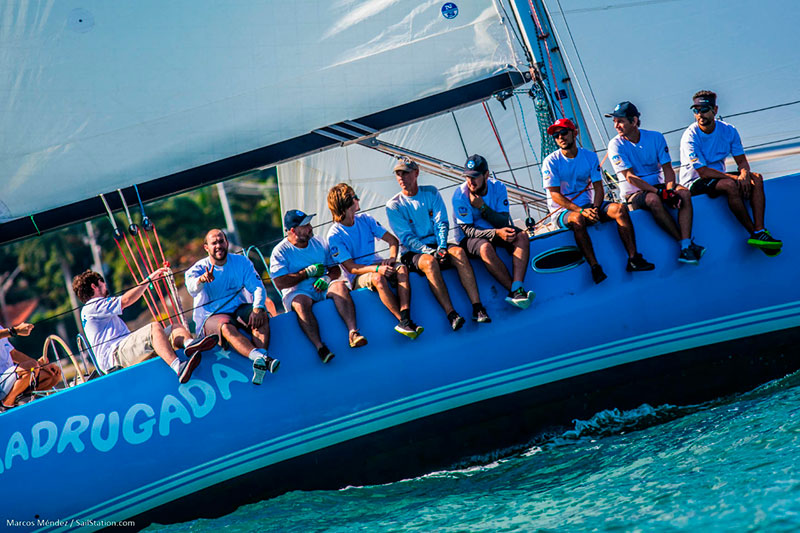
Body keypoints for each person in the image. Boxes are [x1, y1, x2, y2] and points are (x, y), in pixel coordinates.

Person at [542, 118, 655, 284]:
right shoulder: (551, 161)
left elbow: (599, 187)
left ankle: (634, 258)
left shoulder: (589, 156)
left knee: (619, 209)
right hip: (563, 211)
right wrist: (581, 211)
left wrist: (594, 208)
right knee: (578, 219)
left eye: (564, 132)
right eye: (556, 135)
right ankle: (595, 267)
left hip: (588, 206)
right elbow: (555, 196)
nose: (560, 137)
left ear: (574, 133)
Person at [386, 158, 491, 329]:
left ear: (416, 173)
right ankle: (451, 314)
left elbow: (441, 222)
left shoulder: (431, 192)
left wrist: (441, 247)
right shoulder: (393, 205)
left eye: (405, 173)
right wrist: (430, 252)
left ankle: (477, 307)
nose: (401, 178)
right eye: (398, 174)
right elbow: (406, 238)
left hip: (436, 244)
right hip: (412, 253)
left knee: (458, 253)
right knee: (429, 262)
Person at [679, 90, 782, 255]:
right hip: (695, 181)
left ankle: (760, 230)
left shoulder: (729, 130)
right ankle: (754, 233)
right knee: (729, 185)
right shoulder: (689, 136)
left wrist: (744, 175)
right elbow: (703, 172)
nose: (700, 114)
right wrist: (737, 178)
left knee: (756, 177)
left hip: (719, 177)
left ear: (715, 110)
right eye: (696, 111)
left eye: (704, 110)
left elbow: (741, 161)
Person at [74, 267, 217, 384]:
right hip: (115, 357)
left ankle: (191, 344)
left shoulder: (94, 309)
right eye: (102, 282)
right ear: (94, 285)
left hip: (122, 351)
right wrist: (149, 280)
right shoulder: (91, 306)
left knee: (175, 328)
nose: (106, 286)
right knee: (154, 328)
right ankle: (179, 368)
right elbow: (126, 300)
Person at [606, 101, 706, 264]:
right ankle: (684, 244)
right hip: (634, 193)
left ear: (634, 121)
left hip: (658, 187)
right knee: (653, 200)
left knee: (684, 193)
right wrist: (660, 192)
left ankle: (686, 243)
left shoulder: (655, 137)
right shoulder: (615, 144)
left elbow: (668, 169)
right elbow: (630, 177)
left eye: (620, 121)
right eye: (614, 121)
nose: (616, 125)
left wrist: (669, 190)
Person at [326, 183, 424, 340]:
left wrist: (391, 259)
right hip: (360, 275)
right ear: (346, 203)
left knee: (402, 269)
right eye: (354, 196)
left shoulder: (365, 219)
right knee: (378, 279)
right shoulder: (334, 234)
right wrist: (377, 270)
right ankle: (403, 321)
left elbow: (392, 241)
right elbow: (351, 268)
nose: (358, 199)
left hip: (377, 265)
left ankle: (406, 318)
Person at [270, 210, 368, 363]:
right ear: (293, 231)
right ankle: (320, 347)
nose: (310, 227)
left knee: (340, 287)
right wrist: (306, 273)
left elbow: (335, 269)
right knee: (300, 303)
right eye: (305, 225)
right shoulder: (279, 252)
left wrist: (327, 278)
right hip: (299, 291)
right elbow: (280, 282)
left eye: (309, 224)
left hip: (323, 286)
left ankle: (353, 333)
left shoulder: (319, 242)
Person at [185, 229, 280, 385]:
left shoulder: (241, 262)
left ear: (227, 243)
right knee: (225, 326)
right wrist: (201, 280)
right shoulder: (198, 268)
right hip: (212, 316)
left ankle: (261, 363)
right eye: (213, 243)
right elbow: (191, 288)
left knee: (261, 313)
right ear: (206, 248)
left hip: (238, 309)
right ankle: (261, 358)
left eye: (221, 241)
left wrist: (257, 308)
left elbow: (257, 287)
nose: (218, 246)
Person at [451, 154, 535, 309]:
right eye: (468, 177)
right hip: (469, 237)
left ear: (486, 175)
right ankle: (514, 291)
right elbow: (468, 230)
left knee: (522, 236)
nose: (471, 181)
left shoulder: (499, 187)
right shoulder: (460, 195)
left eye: (475, 177)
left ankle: (517, 287)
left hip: (495, 229)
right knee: (485, 248)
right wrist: (496, 233)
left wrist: (482, 207)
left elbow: (503, 221)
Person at [0, 322, 63, 412]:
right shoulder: (5, 331)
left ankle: (23, 404)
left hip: (9, 378)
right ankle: (5, 405)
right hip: (2, 382)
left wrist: (41, 365)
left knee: (53, 375)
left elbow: (13, 354)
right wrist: (15, 330)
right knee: (32, 366)